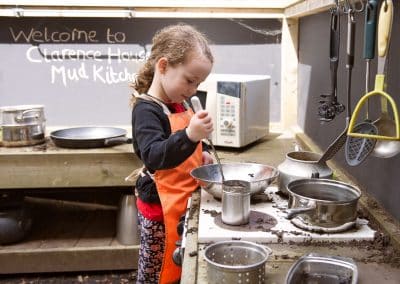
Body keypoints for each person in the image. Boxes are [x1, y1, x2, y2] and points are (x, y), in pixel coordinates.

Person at [130, 24, 214, 284]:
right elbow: (154, 155)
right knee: (157, 273)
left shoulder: (179, 102)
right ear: (163, 66)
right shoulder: (147, 110)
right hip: (159, 209)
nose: (193, 89)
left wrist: (204, 151)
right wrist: (190, 135)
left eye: (199, 83)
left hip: (182, 202)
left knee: (181, 268)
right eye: (189, 80)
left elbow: (188, 146)